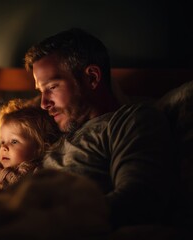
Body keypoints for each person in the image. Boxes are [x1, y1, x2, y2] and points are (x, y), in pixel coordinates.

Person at [24, 28, 176, 229]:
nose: (43, 104)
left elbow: (139, 199)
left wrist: (50, 223)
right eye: (40, 91)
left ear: (92, 77)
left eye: (52, 87)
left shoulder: (131, 120)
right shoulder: (50, 132)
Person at [0, 98, 60, 190]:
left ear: (38, 148)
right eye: (2, 142)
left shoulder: (36, 174)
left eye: (14, 141)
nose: (4, 147)